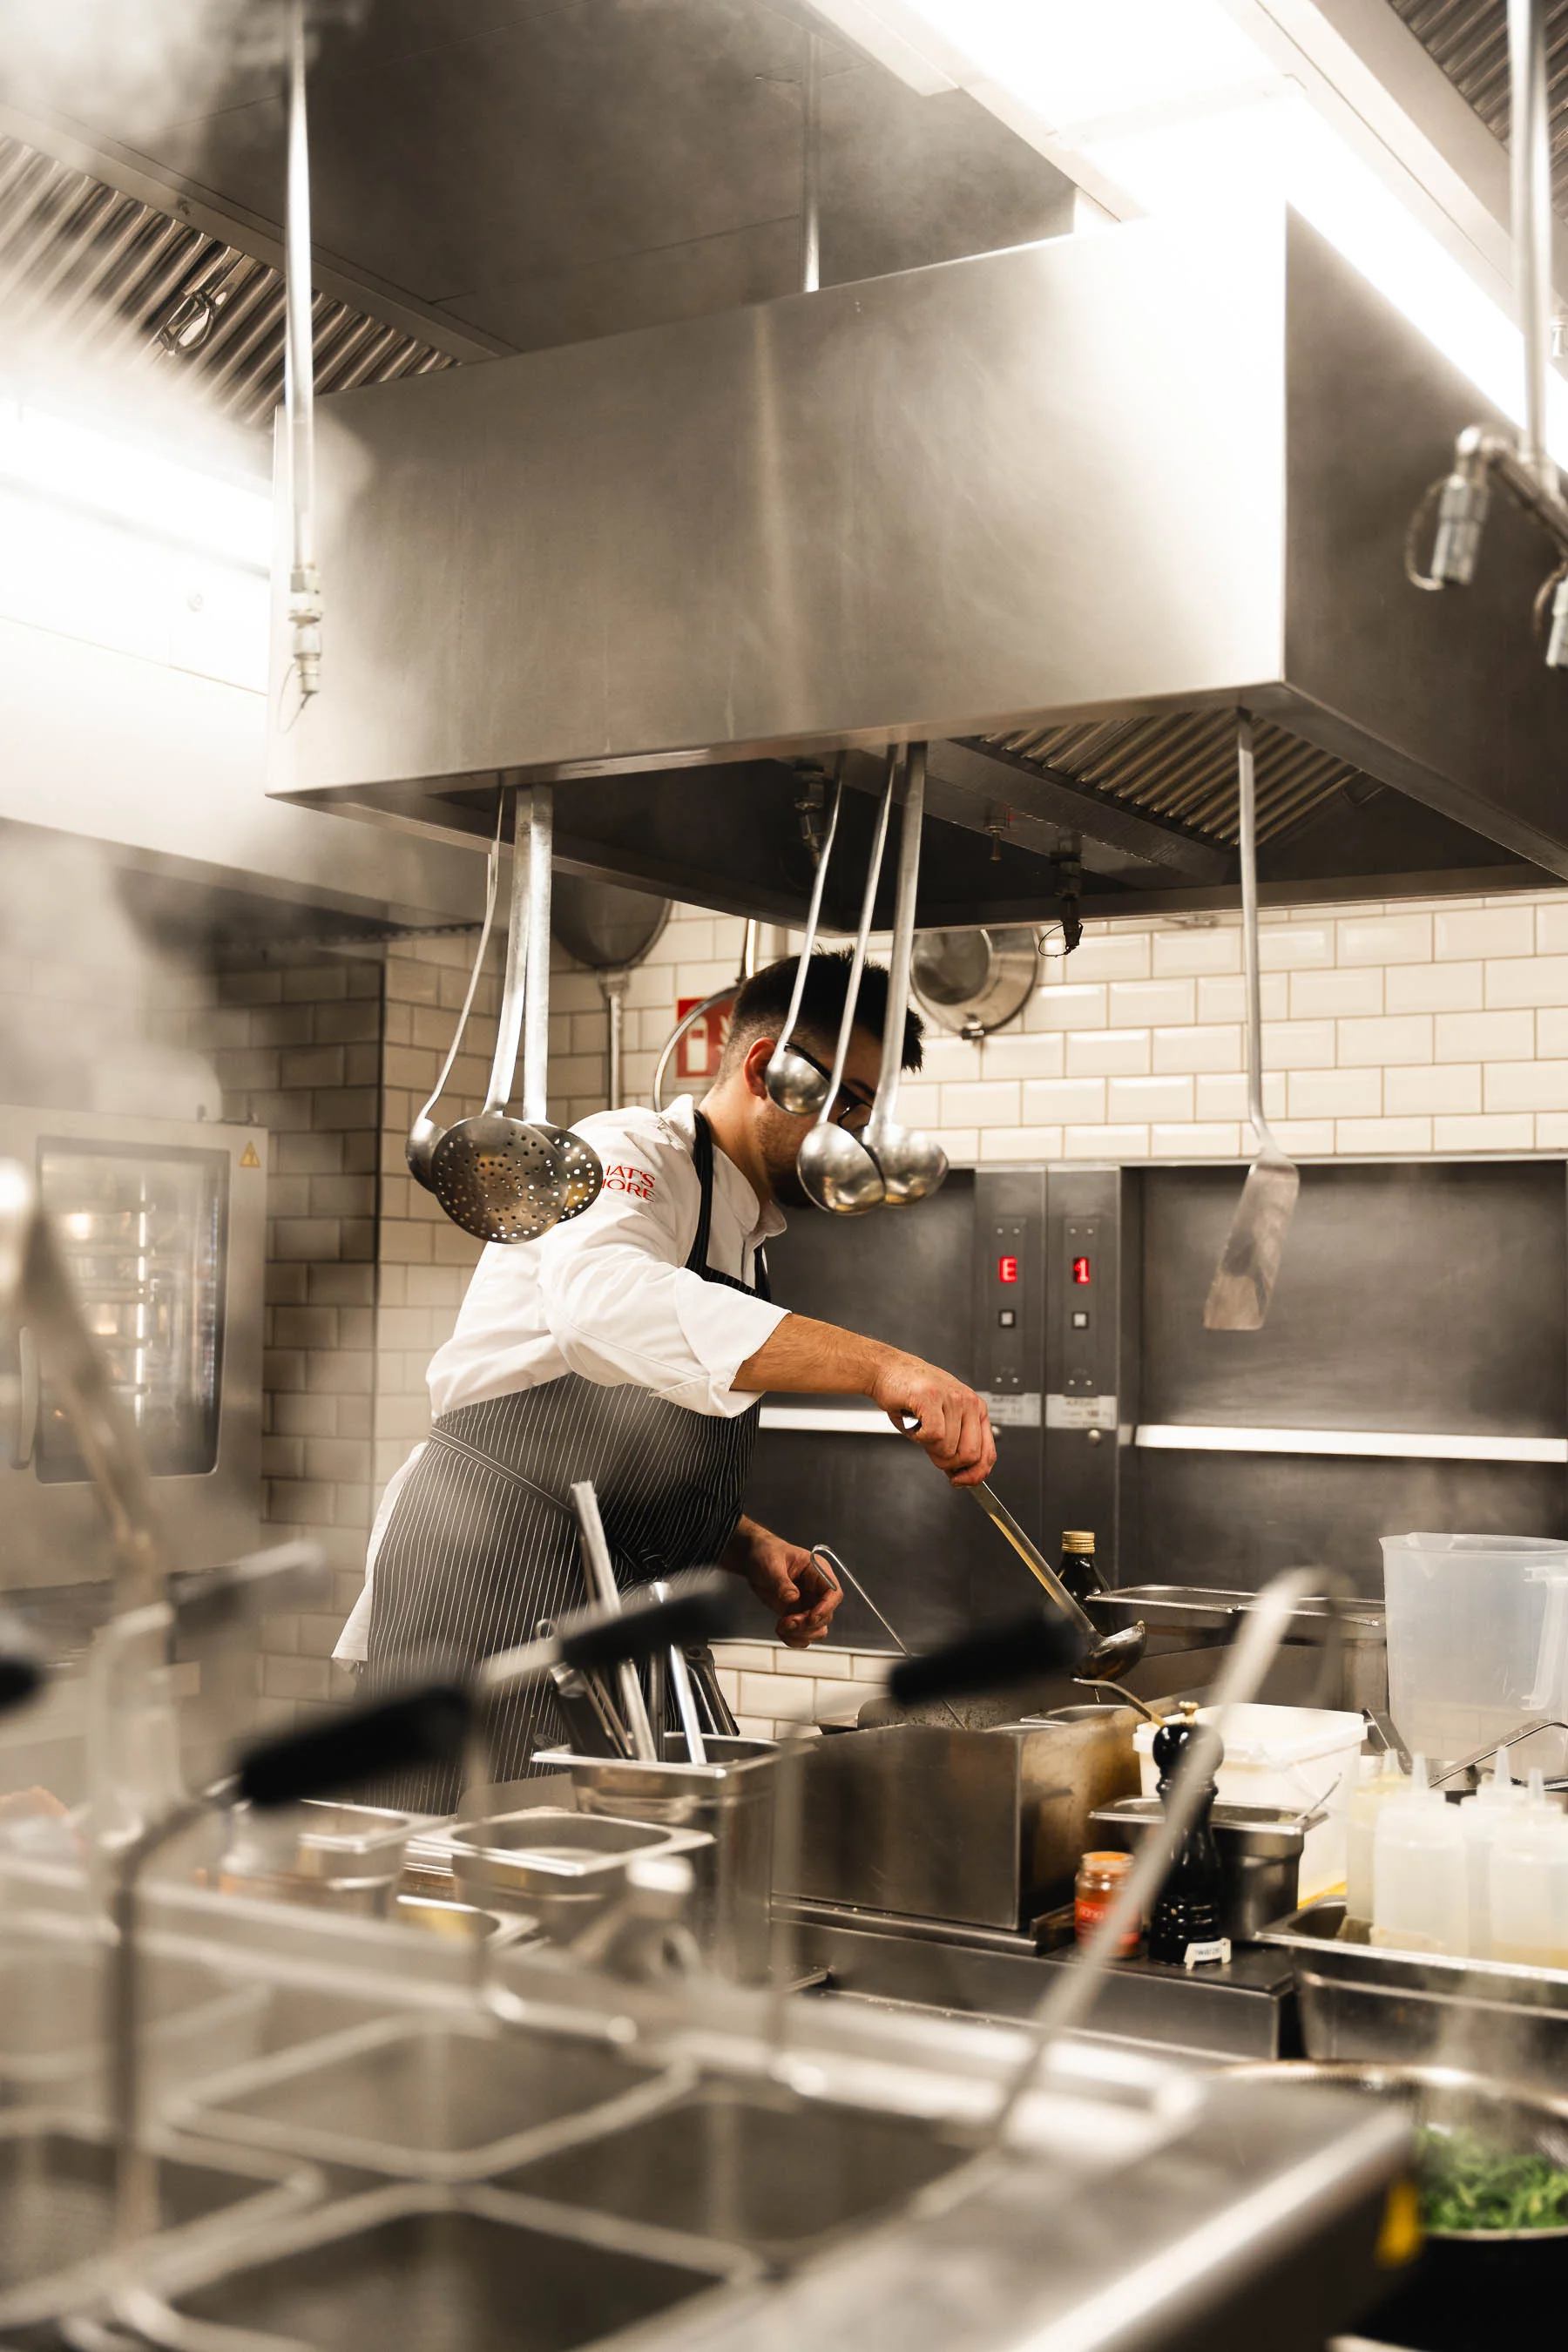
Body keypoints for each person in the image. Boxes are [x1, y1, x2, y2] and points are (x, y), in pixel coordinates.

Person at [336, 950, 996, 1801]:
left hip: (611, 1593)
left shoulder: (743, 1228)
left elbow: (610, 1451)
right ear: (766, 1069)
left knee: (676, 1841)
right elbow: (598, 1306)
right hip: (485, 1578)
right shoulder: (629, 1157)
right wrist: (880, 1367)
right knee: (467, 1874)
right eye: (855, 1109)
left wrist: (741, 1543)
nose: (861, 1145)